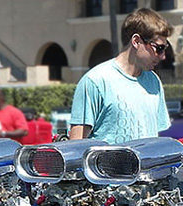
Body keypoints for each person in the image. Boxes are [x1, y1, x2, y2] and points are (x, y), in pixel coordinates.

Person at [69, 8, 171, 143]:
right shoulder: (95, 81)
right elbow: (76, 145)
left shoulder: (154, 81)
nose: (163, 56)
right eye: (159, 48)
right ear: (136, 41)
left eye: (165, 48)